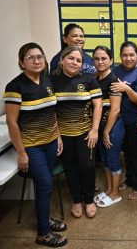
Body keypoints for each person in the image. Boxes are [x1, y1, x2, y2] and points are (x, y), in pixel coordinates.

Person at [4, 43, 67, 247]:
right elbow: (12, 122)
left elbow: (52, 113)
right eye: (31, 57)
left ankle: (45, 219)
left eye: (40, 56)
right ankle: (43, 234)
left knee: (44, 186)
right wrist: (21, 152)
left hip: (50, 142)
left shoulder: (47, 81)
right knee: (46, 185)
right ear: (22, 62)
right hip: (32, 146)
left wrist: (57, 135)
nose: (37, 60)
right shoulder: (15, 86)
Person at [50, 46, 102, 219]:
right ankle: (77, 200)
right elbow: (50, 111)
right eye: (71, 58)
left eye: (78, 60)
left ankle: (89, 200)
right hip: (63, 135)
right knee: (70, 168)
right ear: (62, 60)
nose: (75, 62)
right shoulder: (52, 81)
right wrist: (56, 136)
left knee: (87, 167)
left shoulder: (89, 79)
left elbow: (98, 105)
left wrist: (95, 130)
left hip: (86, 133)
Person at [111, 41, 137, 199]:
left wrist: (126, 88)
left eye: (131, 55)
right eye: (125, 55)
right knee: (126, 153)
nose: (128, 58)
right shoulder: (116, 70)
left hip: (135, 119)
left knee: (136, 154)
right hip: (120, 119)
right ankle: (129, 179)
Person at [92, 46, 125, 208]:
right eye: (96, 59)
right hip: (101, 127)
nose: (100, 62)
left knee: (113, 160)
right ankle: (110, 188)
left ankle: (116, 193)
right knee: (105, 159)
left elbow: (116, 109)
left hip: (113, 128)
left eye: (104, 58)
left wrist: (105, 132)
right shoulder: (96, 78)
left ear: (111, 60)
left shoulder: (113, 80)